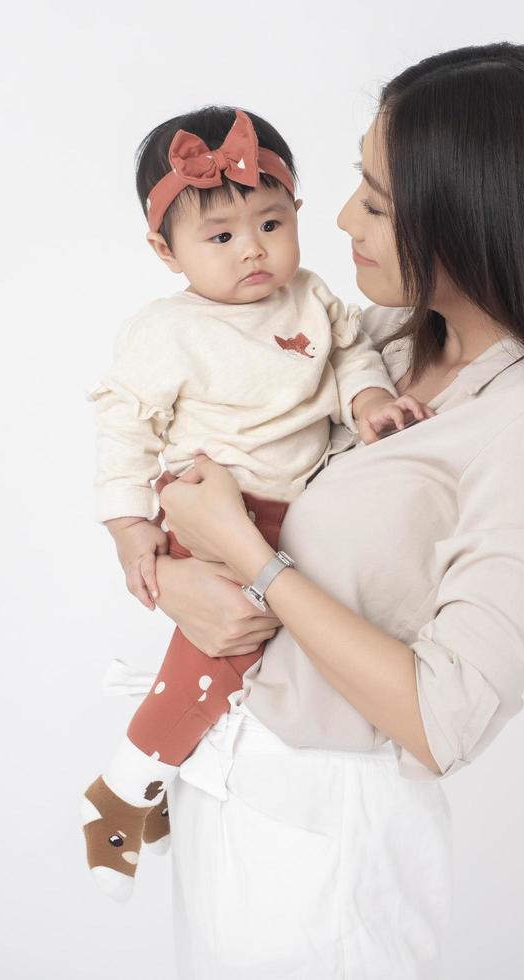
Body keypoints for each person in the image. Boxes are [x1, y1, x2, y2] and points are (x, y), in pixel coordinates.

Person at [149, 42, 524, 977]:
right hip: (231, 785)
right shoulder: (376, 343)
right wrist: (157, 568)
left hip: (331, 848)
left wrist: (250, 560)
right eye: (358, 180)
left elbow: (446, 720)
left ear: (477, 221)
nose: (343, 217)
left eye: (380, 202)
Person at [78, 105, 429, 902]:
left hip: (296, 511)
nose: (254, 251)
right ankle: (124, 786)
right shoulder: (166, 333)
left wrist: (370, 399)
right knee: (225, 649)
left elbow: (351, 354)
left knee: (261, 663)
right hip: (221, 507)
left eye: (270, 222)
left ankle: (165, 772)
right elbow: (122, 431)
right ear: (166, 252)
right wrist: (131, 531)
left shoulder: (313, 301)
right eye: (222, 237)